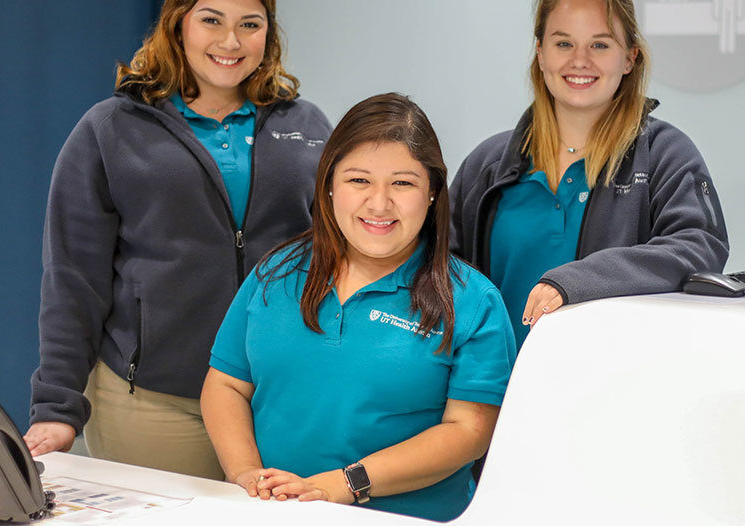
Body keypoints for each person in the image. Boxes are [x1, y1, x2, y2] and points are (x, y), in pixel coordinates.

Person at [24, 0, 331, 479]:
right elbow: (74, 278)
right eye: (211, 20)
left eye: (249, 25)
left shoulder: (305, 125)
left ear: (268, 35)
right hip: (154, 402)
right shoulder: (111, 127)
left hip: (278, 397)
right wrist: (57, 405)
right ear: (178, 25)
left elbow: (340, 256)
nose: (230, 42)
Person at [201, 93, 516, 522]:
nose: (379, 203)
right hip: (271, 512)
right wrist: (247, 476)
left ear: (432, 193)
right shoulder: (275, 272)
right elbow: (226, 385)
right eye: (359, 180)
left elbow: (469, 431)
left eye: (402, 183)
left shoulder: (472, 301)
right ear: (329, 184)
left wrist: (347, 483)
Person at [450, 0, 729, 351]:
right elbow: (440, 272)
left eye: (600, 45)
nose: (579, 61)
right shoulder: (488, 164)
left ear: (629, 57)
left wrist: (578, 282)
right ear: (540, 52)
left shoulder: (665, 153)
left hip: (607, 392)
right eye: (563, 43)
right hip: (495, 395)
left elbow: (700, 247)